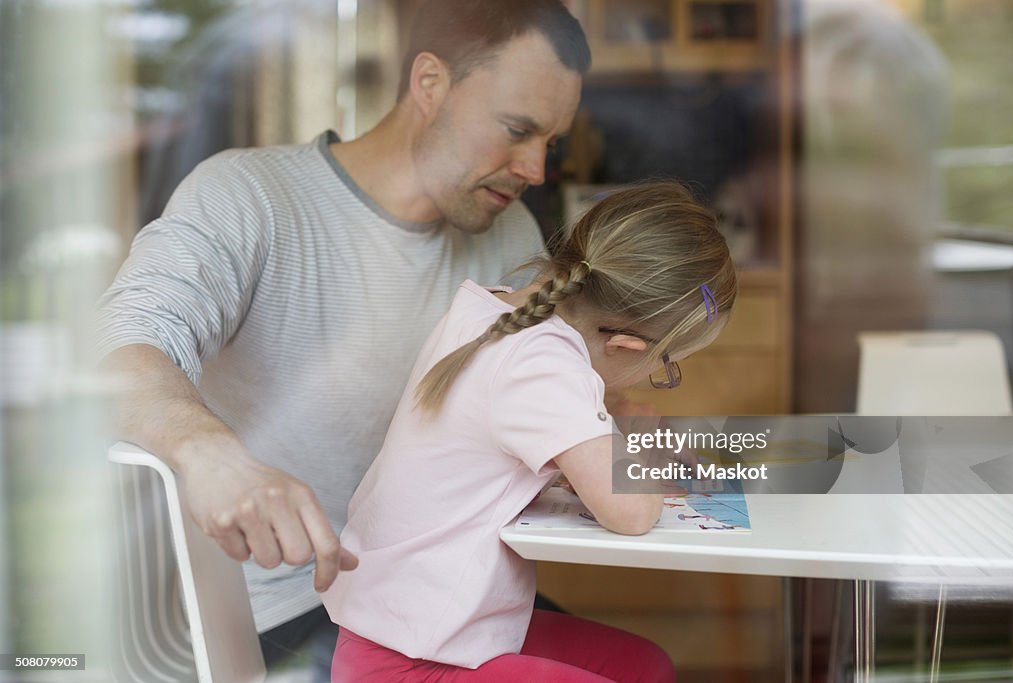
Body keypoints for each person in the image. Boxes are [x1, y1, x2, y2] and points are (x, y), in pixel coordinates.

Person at [97, 0, 591, 676]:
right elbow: (122, 350)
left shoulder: (510, 239)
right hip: (286, 609)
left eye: (551, 143)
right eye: (517, 129)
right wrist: (208, 451)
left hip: (442, 603)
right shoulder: (249, 196)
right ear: (429, 83)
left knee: (636, 663)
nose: (536, 168)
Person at [323, 182, 737, 681]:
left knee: (645, 667)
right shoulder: (542, 363)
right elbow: (631, 513)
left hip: (412, 627)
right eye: (665, 364)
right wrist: (638, 448)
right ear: (625, 344)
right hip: (411, 661)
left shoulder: (497, 312)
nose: (660, 377)